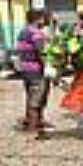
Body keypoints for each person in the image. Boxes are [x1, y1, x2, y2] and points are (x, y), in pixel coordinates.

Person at [16, 9, 51, 140]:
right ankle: (33, 126)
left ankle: (35, 121)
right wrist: (48, 66)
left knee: (31, 94)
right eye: (44, 18)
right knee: (37, 96)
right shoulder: (36, 33)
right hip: (36, 68)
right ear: (39, 19)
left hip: (25, 68)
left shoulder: (23, 31)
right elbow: (41, 51)